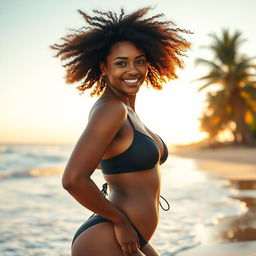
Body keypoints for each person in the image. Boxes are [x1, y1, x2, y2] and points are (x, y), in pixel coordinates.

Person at [51, 7, 190, 256]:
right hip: (109, 236)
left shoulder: (127, 111)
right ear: (104, 68)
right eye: (121, 63)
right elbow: (72, 179)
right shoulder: (111, 109)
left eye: (140, 61)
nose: (133, 70)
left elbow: (108, 160)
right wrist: (121, 221)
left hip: (133, 235)